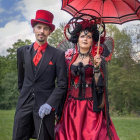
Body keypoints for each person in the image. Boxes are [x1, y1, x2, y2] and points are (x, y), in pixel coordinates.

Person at [55, 16, 120, 140]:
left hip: (91, 107)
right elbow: (63, 82)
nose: (85, 39)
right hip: (71, 107)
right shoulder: (68, 58)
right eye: (82, 36)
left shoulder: (97, 58)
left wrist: (96, 68)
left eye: (89, 37)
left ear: (93, 40)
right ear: (77, 39)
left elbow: (99, 86)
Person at [12, 9, 67, 140]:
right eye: (39, 27)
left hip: (45, 106)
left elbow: (62, 85)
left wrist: (50, 104)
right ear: (34, 29)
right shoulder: (22, 51)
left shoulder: (58, 55)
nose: (42, 31)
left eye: (45, 28)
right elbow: (21, 79)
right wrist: (25, 95)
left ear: (49, 32)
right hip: (24, 103)